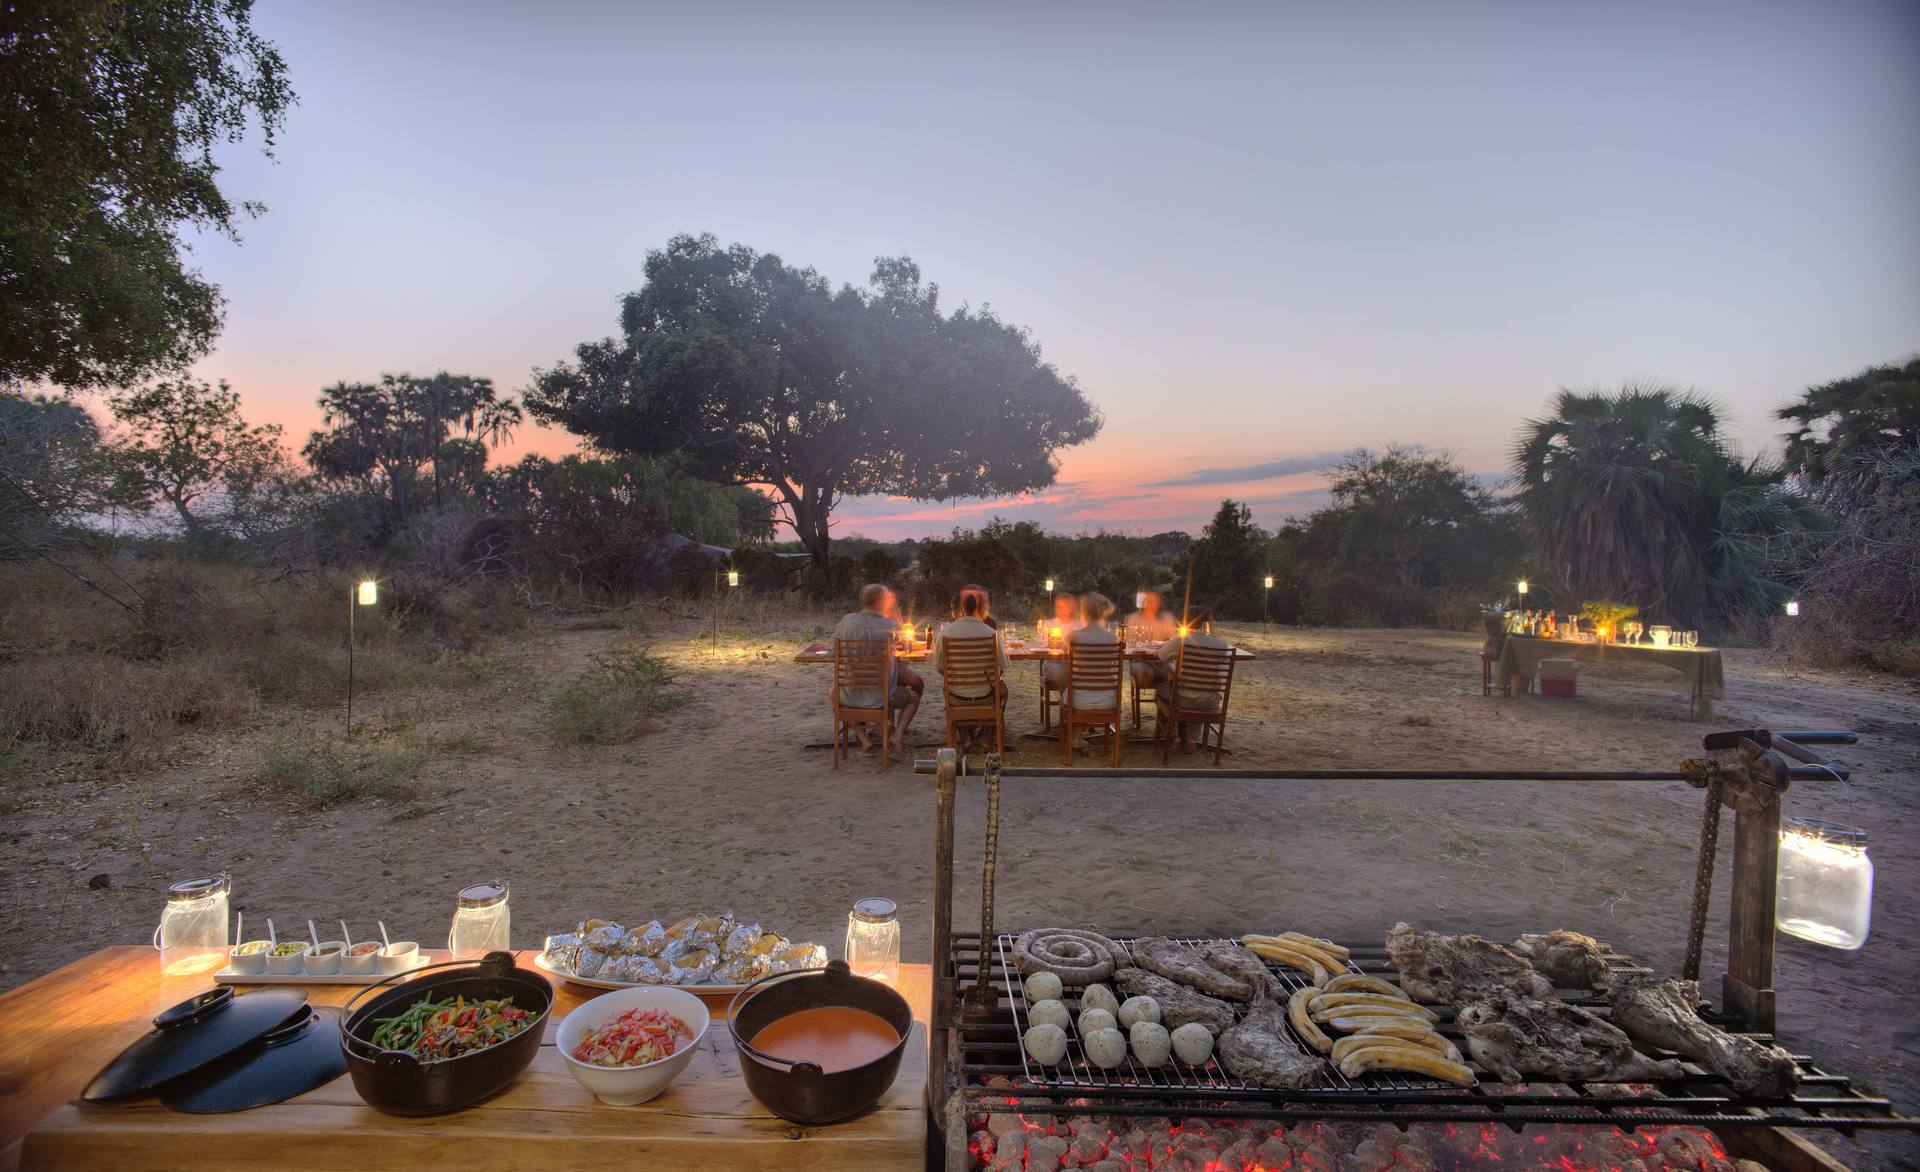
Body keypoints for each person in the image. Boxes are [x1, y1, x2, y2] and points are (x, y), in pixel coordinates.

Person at [832, 583, 922, 752]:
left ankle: (863, 738)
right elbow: (905, 658)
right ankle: (898, 734)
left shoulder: (846, 622)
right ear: (882, 602)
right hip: (883, 697)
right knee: (914, 698)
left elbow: (833, 651)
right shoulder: (891, 626)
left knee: (833, 695)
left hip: (850, 695)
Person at [1147, 607, 1231, 751]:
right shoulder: (1221, 645)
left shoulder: (1181, 642)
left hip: (1183, 700)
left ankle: (1172, 733)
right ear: (1209, 622)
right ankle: (1192, 739)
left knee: (1161, 690)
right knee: (1202, 690)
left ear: (1187, 622)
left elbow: (1161, 656)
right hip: (1210, 702)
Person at [933, 588, 1010, 742]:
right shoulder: (991, 633)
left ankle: (965, 737)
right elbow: (1002, 666)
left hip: (957, 695)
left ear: (960, 609)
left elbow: (938, 667)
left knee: (947, 689)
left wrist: (958, 676)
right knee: (1002, 690)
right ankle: (988, 739)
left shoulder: (945, 633)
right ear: (979, 609)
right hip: (985, 695)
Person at [1124, 590, 1178, 699]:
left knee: (1172, 673)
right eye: (1147, 601)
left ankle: (1164, 709)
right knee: (1143, 672)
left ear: (1159, 603)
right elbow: (1130, 644)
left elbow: (1173, 642)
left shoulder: (1167, 618)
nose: (1150, 604)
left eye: (1153, 601)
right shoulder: (1134, 618)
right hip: (1141, 660)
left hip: (1163, 661)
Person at [1038, 590, 1087, 701]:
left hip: (1076, 663)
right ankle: (1068, 704)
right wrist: (1051, 644)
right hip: (1053, 663)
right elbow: (1042, 646)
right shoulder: (1049, 624)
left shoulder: (1080, 625)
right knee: (1063, 672)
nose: (1060, 610)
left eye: (1064, 607)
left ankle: (1083, 704)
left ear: (1071, 608)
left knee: (1085, 670)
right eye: (1058, 607)